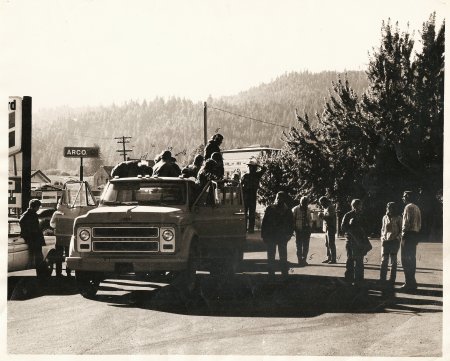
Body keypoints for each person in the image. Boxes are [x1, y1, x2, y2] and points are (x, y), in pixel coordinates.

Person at [261, 191, 294, 278]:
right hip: (271, 236)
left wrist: (289, 234)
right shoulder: (270, 208)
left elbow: (291, 223)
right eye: (278, 197)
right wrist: (263, 235)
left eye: (281, 198)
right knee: (271, 256)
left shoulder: (287, 210)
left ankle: (284, 274)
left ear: (284, 199)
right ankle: (271, 274)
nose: (279, 199)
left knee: (283, 256)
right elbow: (264, 223)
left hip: (282, 236)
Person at [341, 199, 371, 287]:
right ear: (354, 206)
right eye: (359, 205)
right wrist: (350, 225)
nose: (360, 207)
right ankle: (349, 279)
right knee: (350, 259)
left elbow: (366, 226)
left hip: (360, 241)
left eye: (360, 205)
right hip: (350, 241)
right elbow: (343, 228)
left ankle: (359, 279)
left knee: (359, 261)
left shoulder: (362, 215)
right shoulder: (348, 215)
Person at [399, 190, 422, 292]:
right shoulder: (417, 207)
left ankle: (408, 283)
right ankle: (412, 282)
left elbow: (406, 223)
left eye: (404, 196)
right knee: (412, 259)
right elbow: (419, 223)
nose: (403, 198)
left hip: (408, 235)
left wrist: (402, 234)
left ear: (408, 196)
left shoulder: (408, 207)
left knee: (405, 259)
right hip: (415, 235)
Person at [19, 199, 46, 275]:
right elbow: (26, 226)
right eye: (38, 207)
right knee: (38, 257)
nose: (38, 209)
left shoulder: (29, 214)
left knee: (38, 256)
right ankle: (40, 273)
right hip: (34, 239)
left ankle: (39, 272)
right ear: (35, 207)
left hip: (34, 239)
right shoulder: (29, 214)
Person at [379, 202, 402, 288]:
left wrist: (397, 238)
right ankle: (382, 279)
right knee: (384, 260)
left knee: (393, 261)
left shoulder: (399, 218)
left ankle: (392, 279)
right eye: (388, 207)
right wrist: (382, 238)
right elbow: (382, 229)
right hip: (385, 241)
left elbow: (402, 231)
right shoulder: (384, 217)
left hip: (394, 241)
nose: (389, 209)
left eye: (391, 207)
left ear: (394, 208)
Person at [241, 160, 267, 233]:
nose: (250, 168)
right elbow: (240, 185)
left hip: (252, 196)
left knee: (251, 214)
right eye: (249, 167)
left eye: (252, 167)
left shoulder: (257, 175)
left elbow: (264, 169)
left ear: (255, 168)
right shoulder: (245, 176)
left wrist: (258, 165)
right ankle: (244, 228)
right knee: (245, 214)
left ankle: (251, 229)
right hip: (246, 196)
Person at [292, 196, 312, 266]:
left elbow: (310, 219)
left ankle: (304, 259)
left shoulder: (308, 209)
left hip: (306, 230)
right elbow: (292, 220)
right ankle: (299, 260)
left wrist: (310, 228)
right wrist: (294, 229)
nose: (305, 204)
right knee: (299, 245)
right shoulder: (295, 209)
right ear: (300, 202)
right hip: (299, 230)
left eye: (306, 203)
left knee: (306, 246)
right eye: (303, 203)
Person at [319, 196, 337, 264]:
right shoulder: (326, 207)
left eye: (321, 203)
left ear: (325, 201)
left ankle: (333, 259)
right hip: (327, 227)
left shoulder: (330, 207)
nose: (321, 204)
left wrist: (322, 216)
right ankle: (329, 257)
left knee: (331, 243)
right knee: (327, 244)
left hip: (330, 227)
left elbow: (330, 217)